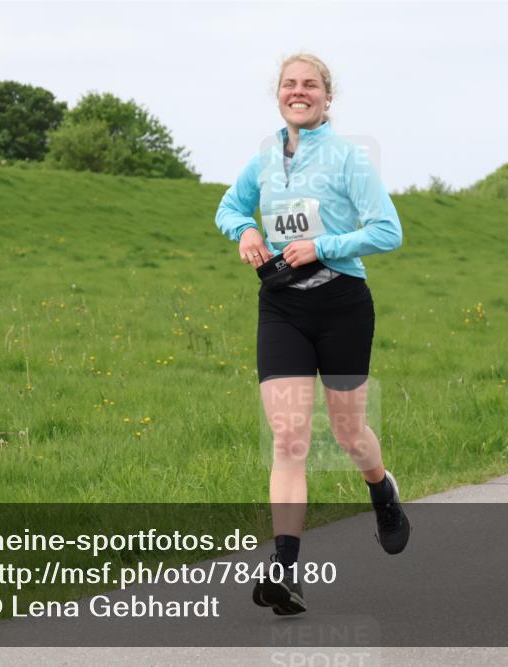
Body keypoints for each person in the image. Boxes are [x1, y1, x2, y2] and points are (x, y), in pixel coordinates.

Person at [215, 53, 410, 615]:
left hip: (342, 305)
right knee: (290, 438)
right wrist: (247, 229)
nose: (298, 92)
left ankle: (381, 490)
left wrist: (322, 246)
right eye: (289, 84)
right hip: (281, 305)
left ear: (328, 97)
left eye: (310, 85)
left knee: (349, 435)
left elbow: (387, 230)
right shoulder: (263, 157)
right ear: (278, 93)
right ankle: (284, 572)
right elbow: (228, 207)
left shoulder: (349, 158)